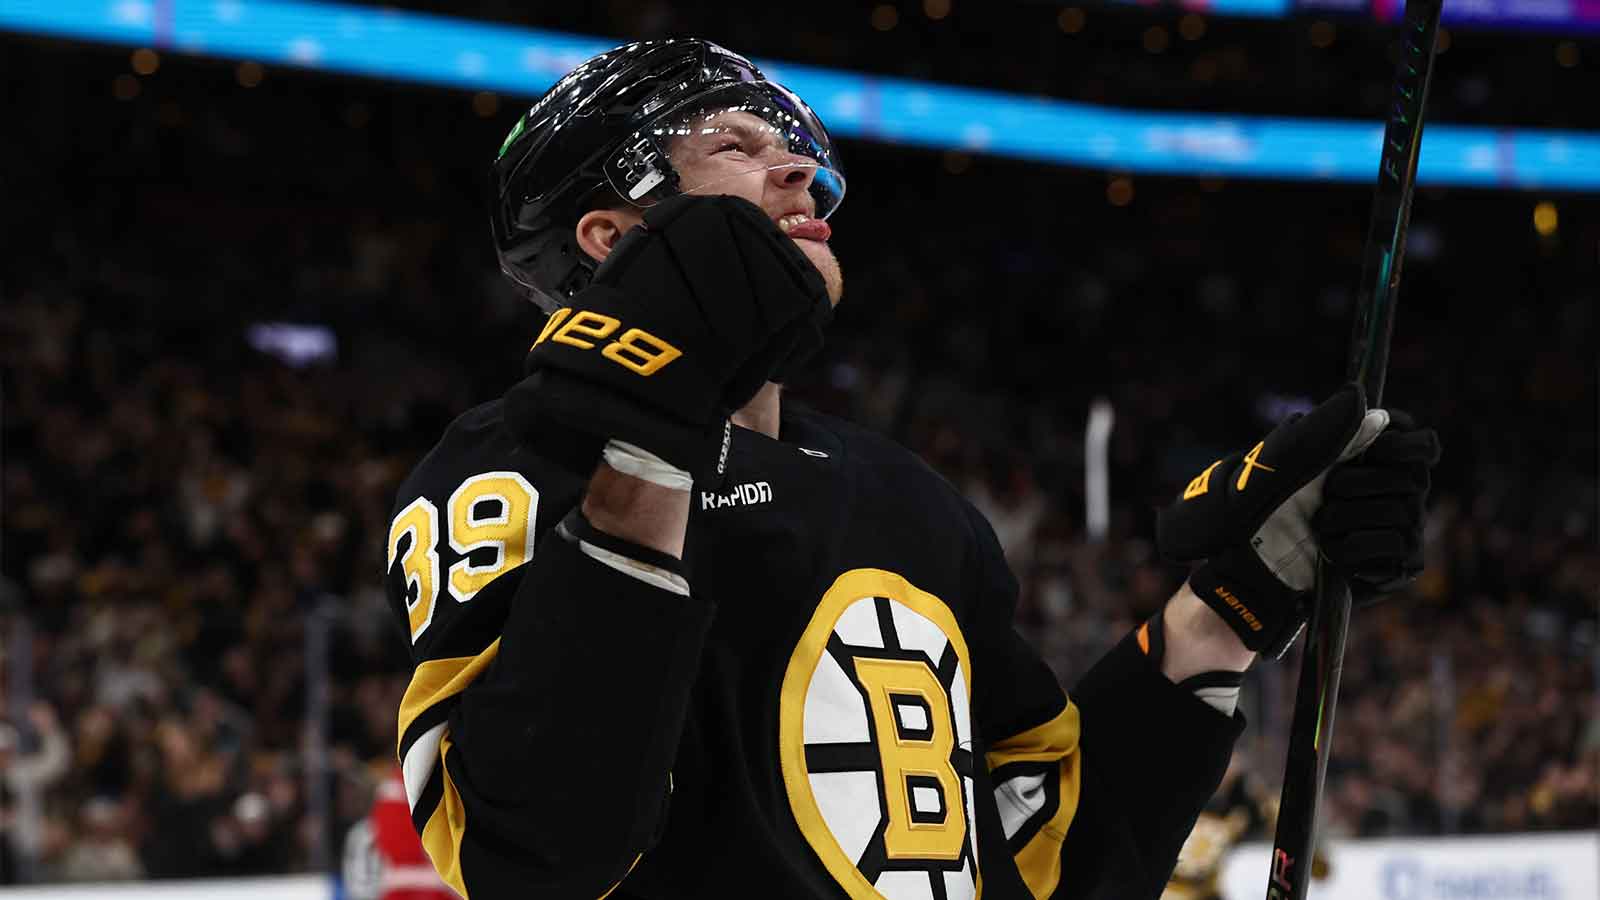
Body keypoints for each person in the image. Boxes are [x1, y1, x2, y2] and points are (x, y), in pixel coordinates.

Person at [385, 39, 1439, 900]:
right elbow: (531, 857)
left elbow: (1049, 861)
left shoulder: (903, 496)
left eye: (796, 145)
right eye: (734, 145)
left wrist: (1234, 607)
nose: (800, 170)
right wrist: (641, 452)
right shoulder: (505, 467)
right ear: (611, 235)